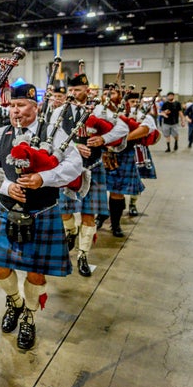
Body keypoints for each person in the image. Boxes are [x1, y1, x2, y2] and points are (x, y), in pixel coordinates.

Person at [0, 83, 82, 350]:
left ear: (35, 107)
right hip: (8, 209)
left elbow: (74, 164)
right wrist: (7, 187)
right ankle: (15, 302)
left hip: (42, 210)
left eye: (22, 106)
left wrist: (44, 178)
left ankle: (29, 314)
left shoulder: (52, 133)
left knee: (36, 273)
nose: (16, 111)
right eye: (12, 106)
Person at [51, 73, 128, 277]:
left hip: (93, 167)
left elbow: (123, 129)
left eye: (78, 90)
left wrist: (103, 138)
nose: (74, 94)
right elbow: (49, 138)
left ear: (87, 90)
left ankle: (83, 255)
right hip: (67, 169)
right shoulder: (59, 111)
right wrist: (74, 146)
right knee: (65, 212)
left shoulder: (101, 110)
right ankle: (71, 232)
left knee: (89, 214)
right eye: (71, 90)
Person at [105, 92, 153, 236]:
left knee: (117, 192)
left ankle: (115, 224)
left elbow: (146, 129)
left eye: (137, 101)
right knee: (97, 190)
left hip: (124, 154)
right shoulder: (103, 111)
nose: (135, 104)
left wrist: (122, 139)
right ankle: (100, 216)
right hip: (103, 153)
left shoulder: (137, 114)